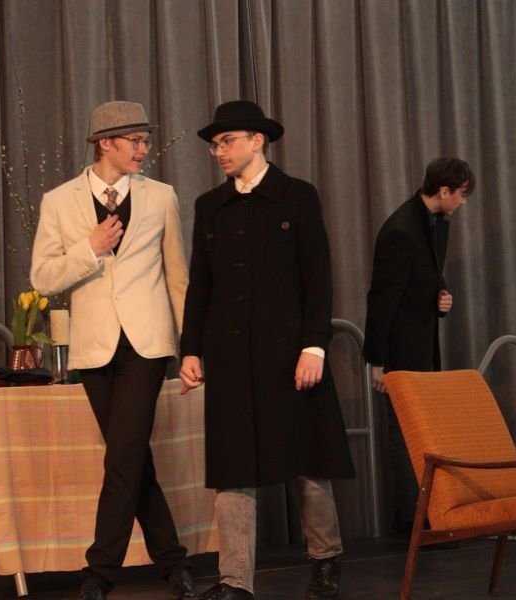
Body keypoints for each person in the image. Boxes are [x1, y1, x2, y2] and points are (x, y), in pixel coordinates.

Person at [180, 100, 354, 600]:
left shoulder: (297, 196)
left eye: (227, 141)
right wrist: (191, 349)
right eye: (215, 145)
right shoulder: (210, 206)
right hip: (231, 356)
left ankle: (324, 560)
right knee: (233, 466)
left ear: (258, 141)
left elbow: (317, 276)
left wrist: (314, 346)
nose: (219, 151)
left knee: (306, 459)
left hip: (290, 353)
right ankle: (235, 581)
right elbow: (201, 285)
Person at [30, 101, 194, 600]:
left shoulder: (161, 196)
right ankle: (173, 562)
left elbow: (178, 277)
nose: (144, 149)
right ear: (106, 143)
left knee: (123, 457)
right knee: (132, 458)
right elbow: (43, 277)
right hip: (95, 350)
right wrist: (90, 249)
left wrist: (192, 348)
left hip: (147, 346)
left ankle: (99, 572)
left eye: (146, 140)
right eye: (135, 141)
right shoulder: (59, 201)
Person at [362, 156, 475, 535]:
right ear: (443, 191)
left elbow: (427, 278)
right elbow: (382, 298)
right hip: (399, 348)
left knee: (423, 431)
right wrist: (378, 360)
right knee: (405, 431)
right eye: (461, 194)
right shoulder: (401, 229)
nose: (463, 201)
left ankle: (427, 516)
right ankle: (415, 521)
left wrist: (442, 298)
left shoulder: (437, 223)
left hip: (423, 343)